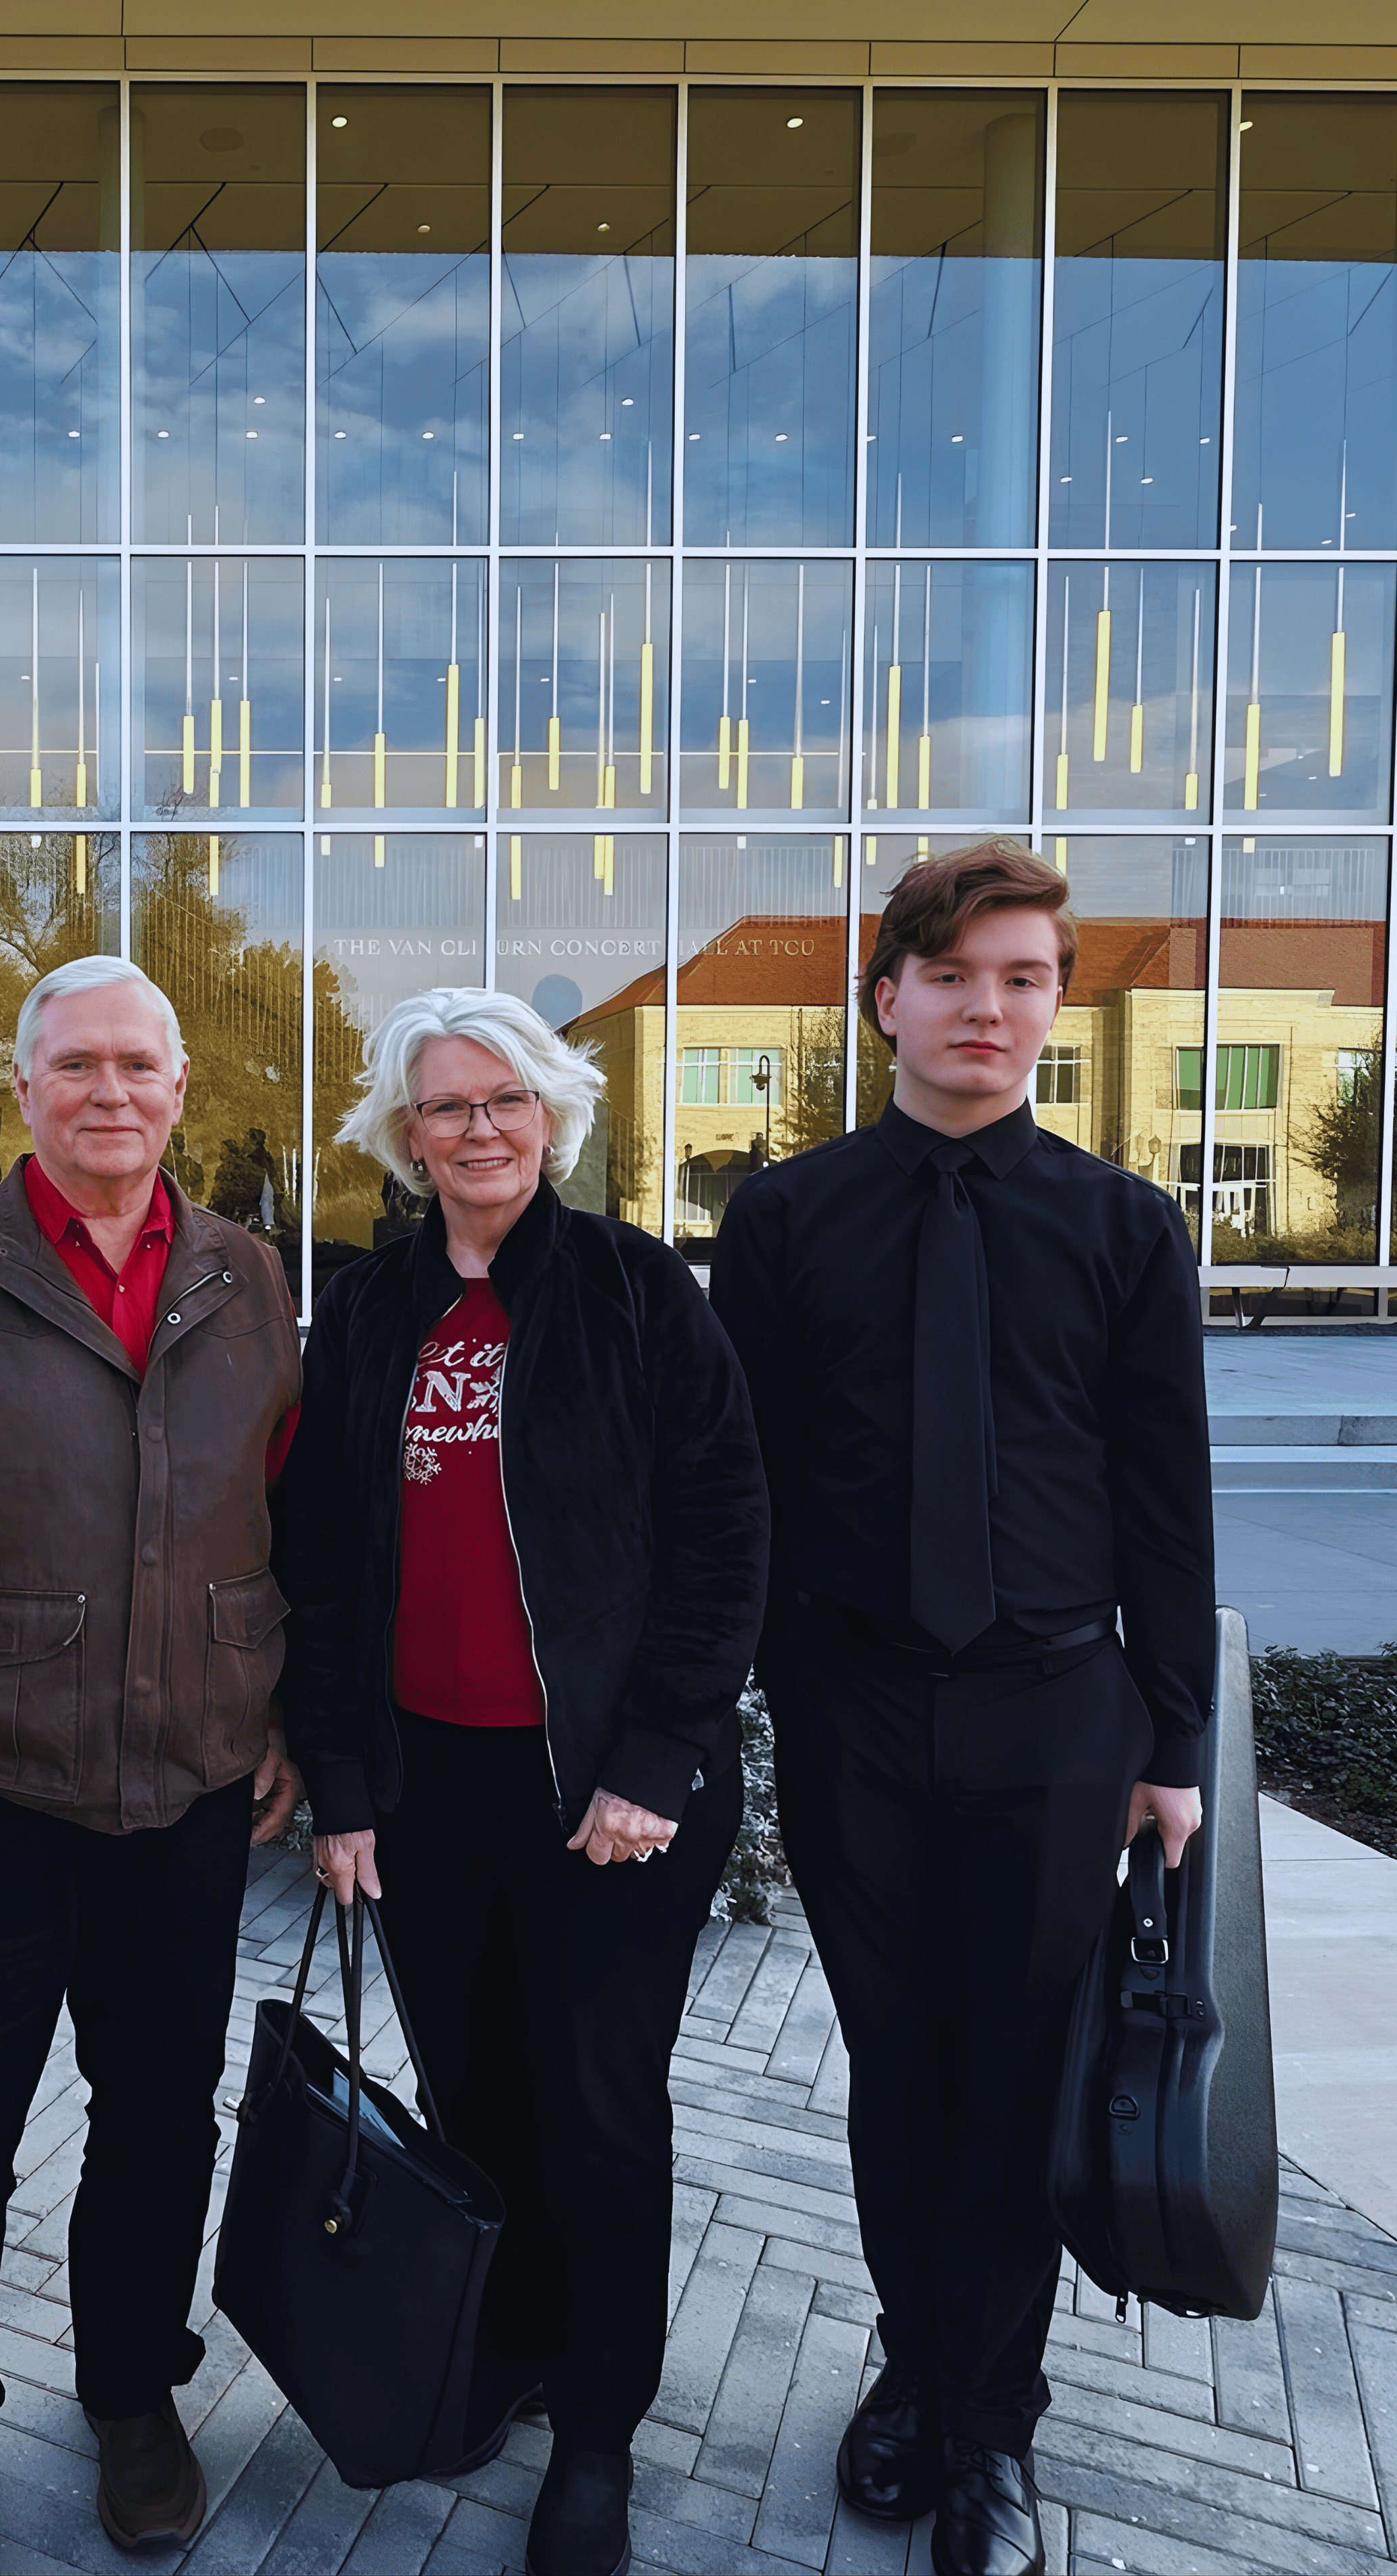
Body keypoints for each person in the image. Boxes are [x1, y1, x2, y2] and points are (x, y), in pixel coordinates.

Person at [711, 840, 1214, 2576]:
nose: (989, 1008)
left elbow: (1170, 1502)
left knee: (1008, 2085)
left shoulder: (1126, 1226)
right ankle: (913, 2371)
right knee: (896, 2078)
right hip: (854, 1707)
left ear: (1051, 1003)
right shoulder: (781, 1220)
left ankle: (987, 2430)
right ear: (890, 1002)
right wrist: (766, 1686)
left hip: (1058, 1718)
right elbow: (747, 1484)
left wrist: (1179, 1747)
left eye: (1025, 979)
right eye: (956, 977)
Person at [0, 954, 303, 2576]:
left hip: (192, 1786)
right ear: (19, 1091)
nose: (109, 1092)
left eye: (137, 1066)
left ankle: (132, 2394)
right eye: (74, 1065)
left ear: (180, 1092)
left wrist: (278, 1711)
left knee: (165, 2111)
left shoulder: (250, 1274)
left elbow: (277, 1518)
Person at [275, 985, 768, 2576]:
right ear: (403, 1138)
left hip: (606, 1800)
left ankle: (603, 2427)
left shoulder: (635, 1292)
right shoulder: (360, 1315)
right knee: (477, 2093)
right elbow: (325, 1568)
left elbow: (725, 1538)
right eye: (442, 1108)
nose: (475, 1130)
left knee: (600, 2106)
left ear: (549, 1116)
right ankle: (518, 2342)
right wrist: (341, 1784)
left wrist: (654, 1763)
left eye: (502, 1101)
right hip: (431, 1792)